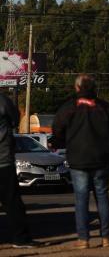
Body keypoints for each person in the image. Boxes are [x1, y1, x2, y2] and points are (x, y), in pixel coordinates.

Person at [52, 74, 109, 249]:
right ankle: (106, 237)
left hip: (78, 159)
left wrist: (67, 142)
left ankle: (83, 239)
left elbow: (57, 132)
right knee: (102, 196)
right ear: (94, 88)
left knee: (81, 199)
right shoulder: (105, 108)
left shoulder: (68, 108)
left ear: (77, 88)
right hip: (101, 158)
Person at [0, 93, 40, 249]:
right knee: (12, 202)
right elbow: (15, 119)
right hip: (3, 160)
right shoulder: (3, 101)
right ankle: (20, 238)